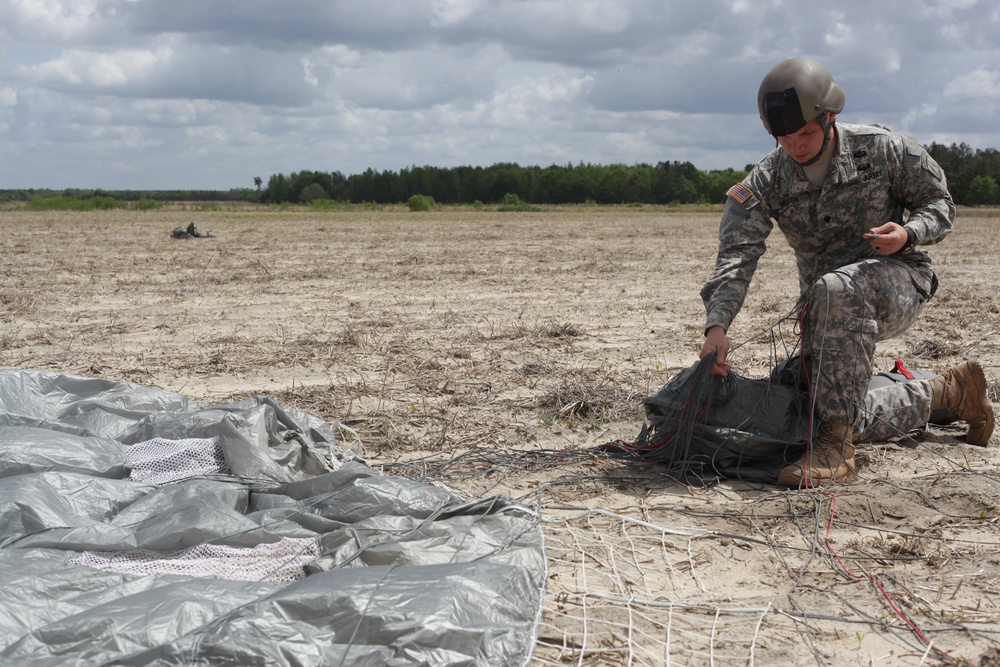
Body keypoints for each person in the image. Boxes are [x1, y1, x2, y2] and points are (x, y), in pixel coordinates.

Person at [698, 56, 994, 488]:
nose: (795, 147)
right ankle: (945, 393)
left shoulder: (883, 149)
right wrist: (717, 325)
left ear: (829, 117)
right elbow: (738, 253)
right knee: (799, 409)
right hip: (825, 313)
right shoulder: (766, 181)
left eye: (805, 134)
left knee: (838, 292)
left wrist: (909, 233)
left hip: (898, 283)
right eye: (784, 138)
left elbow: (941, 205)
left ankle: (835, 451)